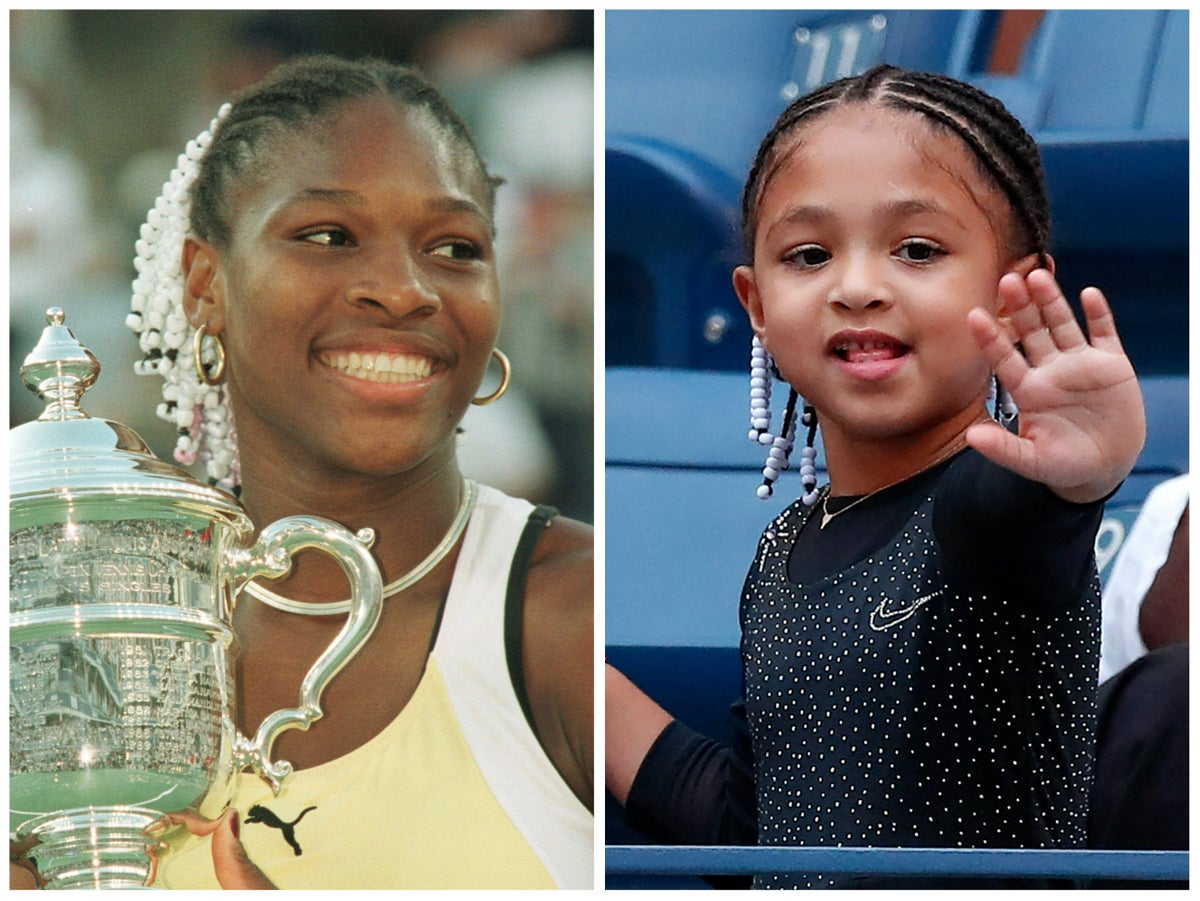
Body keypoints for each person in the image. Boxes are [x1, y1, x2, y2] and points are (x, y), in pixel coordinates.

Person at [12, 55, 593, 890]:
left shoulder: (571, 614)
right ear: (205, 284)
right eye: (328, 235)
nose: (403, 290)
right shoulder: (67, 624)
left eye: (454, 246)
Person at [606, 64, 1145, 889]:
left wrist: (1080, 471)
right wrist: (563, 664)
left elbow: (1026, 510)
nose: (857, 287)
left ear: (1012, 295)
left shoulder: (985, 508)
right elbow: (751, 833)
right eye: (810, 254)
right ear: (754, 302)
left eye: (918, 250)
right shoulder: (784, 547)